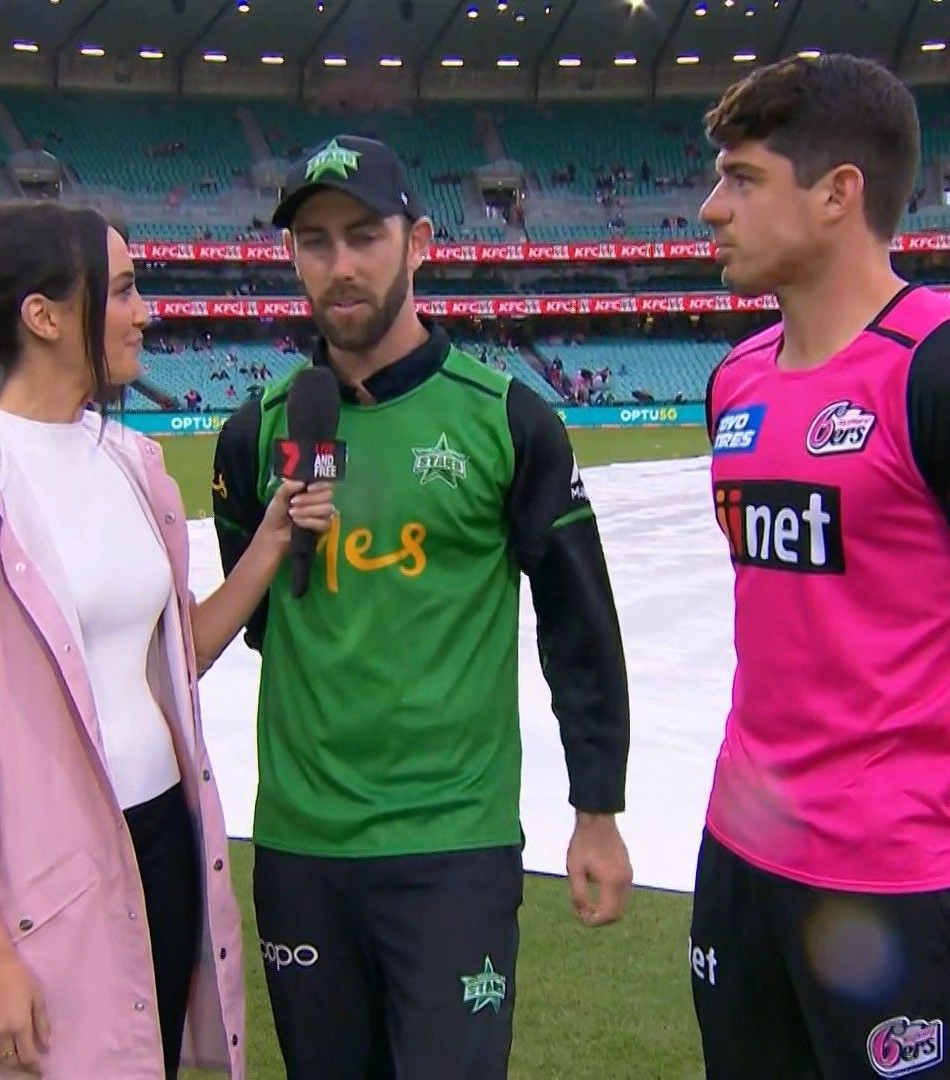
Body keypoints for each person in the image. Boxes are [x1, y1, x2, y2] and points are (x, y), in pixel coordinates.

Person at [0, 200, 333, 1079]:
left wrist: (271, 542)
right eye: (125, 290)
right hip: (43, 880)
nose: (146, 313)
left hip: (164, 838)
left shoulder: (131, 464)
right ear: (45, 316)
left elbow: (175, 658)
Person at [690, 56, 950, 1078]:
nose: (711, 208)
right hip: (742, 856)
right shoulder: (734, 380)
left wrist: (949, 777)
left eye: (743, 179)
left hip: (901, 878)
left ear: (839, 193)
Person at [210, 134, 635, 1079]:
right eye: (316, 242)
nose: (341, 264)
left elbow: (580, 627)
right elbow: (262, 622)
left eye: (365, 235)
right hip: (303, 849)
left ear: (420, 242)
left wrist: (597, 807)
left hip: (454, 847)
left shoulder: (507, 420)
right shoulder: (255, 434)